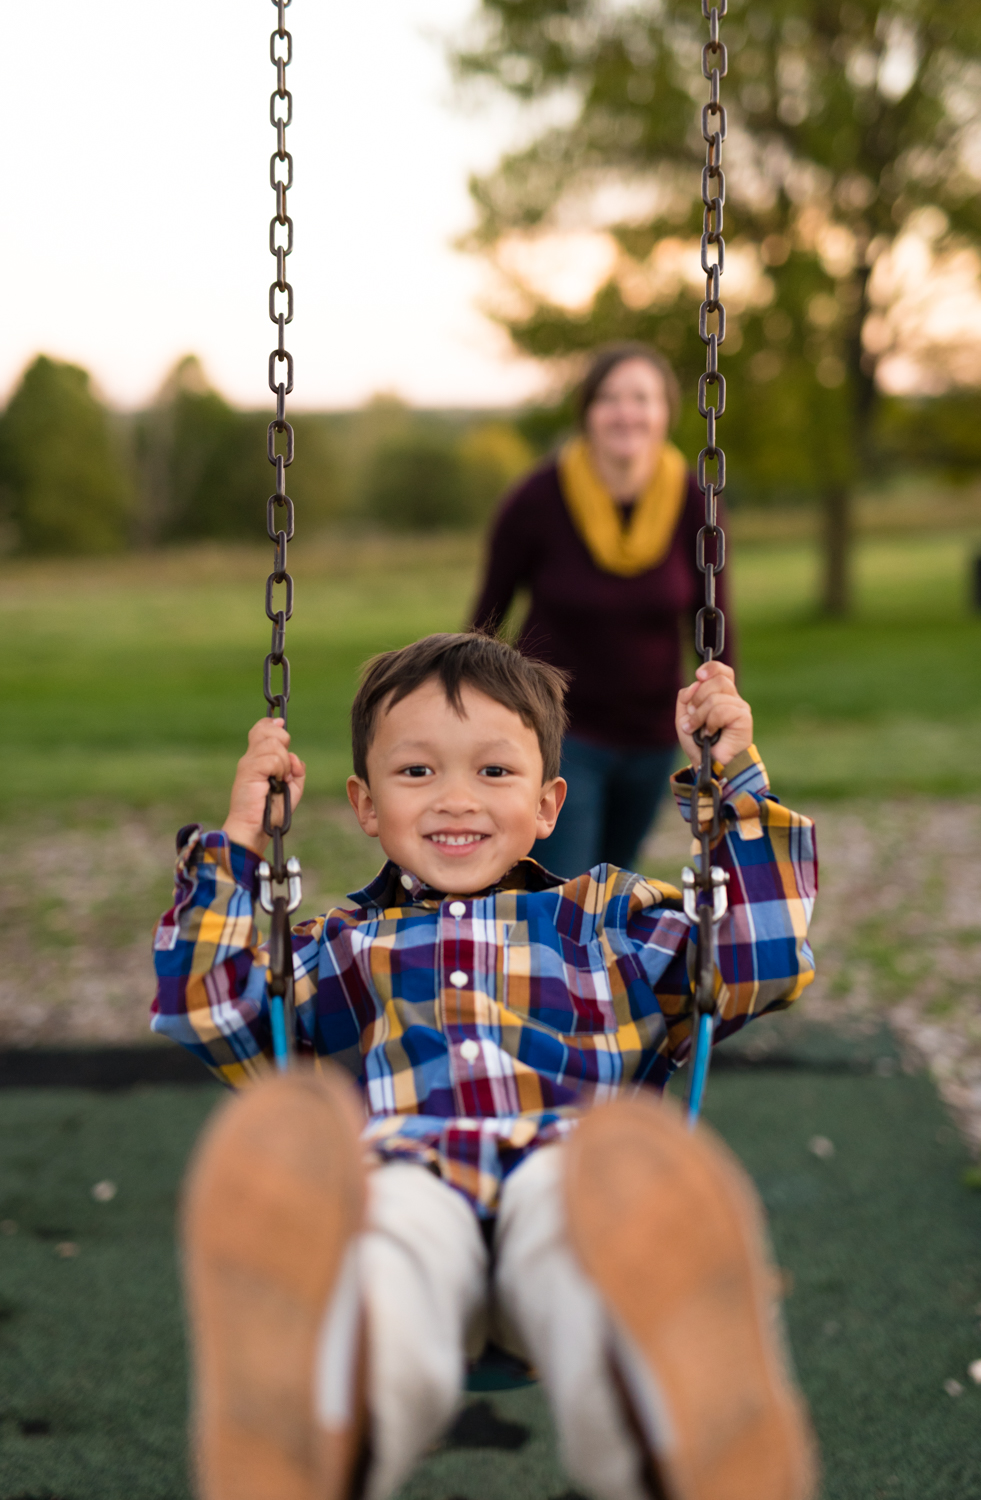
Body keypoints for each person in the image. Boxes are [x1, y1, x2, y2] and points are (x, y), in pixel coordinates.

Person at [153, 631, 817, 1500]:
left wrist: (732, 783)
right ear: (365, 803)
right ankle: (321, 1426)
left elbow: (756, 961)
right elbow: (210, 1007)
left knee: (591, 1247)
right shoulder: (347, 945)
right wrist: (241, 839)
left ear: (548, 804)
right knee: (384, 1246)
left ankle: (670, 1441)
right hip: (412, 1171)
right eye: (417, 772)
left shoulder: (603, 919)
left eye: (493, 773)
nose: (454, 800)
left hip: (565, 1170)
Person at [470, 341, 734, 878]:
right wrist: (478, 720)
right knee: (566, 889)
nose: (626, 412)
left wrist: (724, 714)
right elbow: (486, 622)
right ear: (587, 411)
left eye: (642, 397)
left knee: (617, 885)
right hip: (559, 731)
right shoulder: (538, 500)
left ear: (665, 412)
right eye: (609, 397)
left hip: (655, 734)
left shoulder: (693, 500)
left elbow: (715, 618)